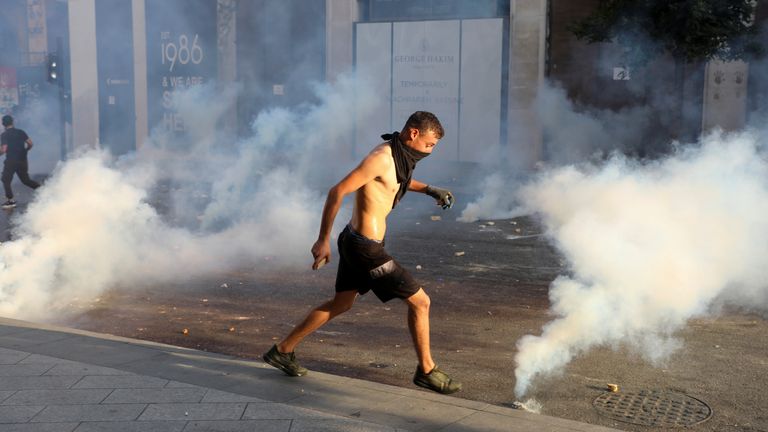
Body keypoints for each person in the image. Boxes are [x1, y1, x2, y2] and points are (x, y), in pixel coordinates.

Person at [263, 111, 461, 394]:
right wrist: (322, 240)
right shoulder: (382, 156)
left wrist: (430, 189)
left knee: (341, 304)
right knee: (421, 303)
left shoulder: (399, 156)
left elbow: (394, 182)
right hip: (364, 248)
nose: (430, 151)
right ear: (414, 134)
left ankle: (282, 350)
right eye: (429, 145)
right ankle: (426, 370)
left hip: (359, 241)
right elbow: (337, 191)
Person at [0, 115, 40, 208]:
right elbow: (30, 143)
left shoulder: (4, 135)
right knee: (26, 180)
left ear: (3, 124)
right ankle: (44, 191)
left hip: (11, 161)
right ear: (12, 122)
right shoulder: (21, 132)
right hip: (22, 160)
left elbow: (4, 149)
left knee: (6, 180)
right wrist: (26, 150)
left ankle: (10, 201)